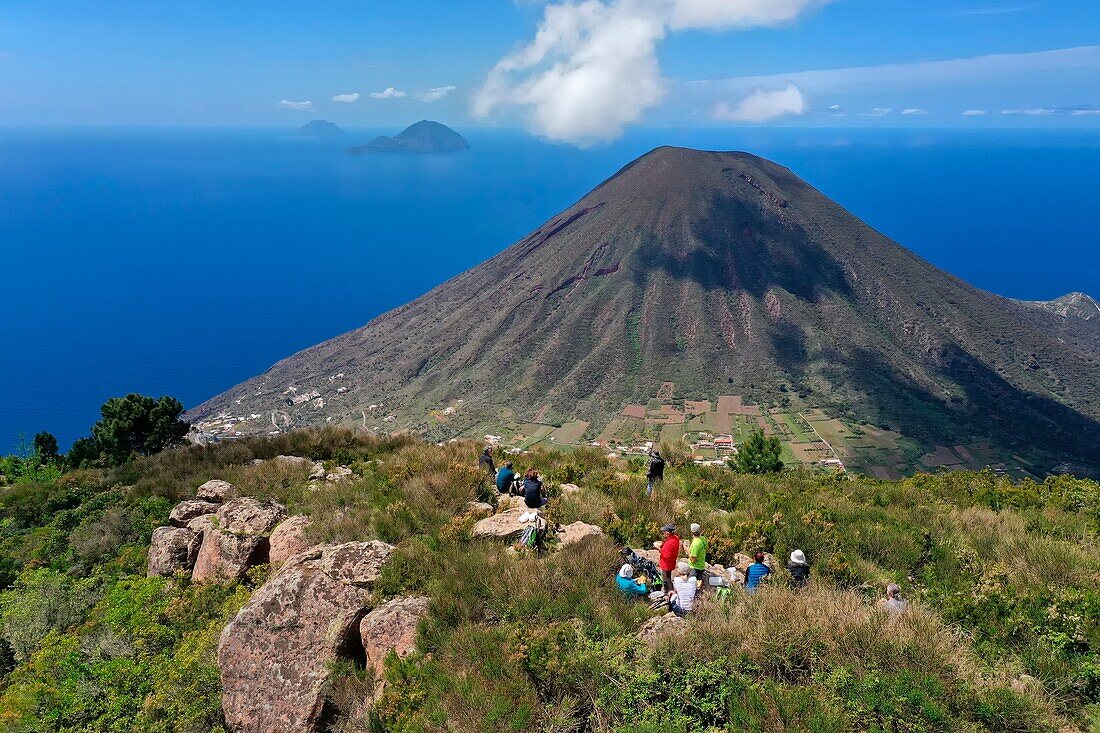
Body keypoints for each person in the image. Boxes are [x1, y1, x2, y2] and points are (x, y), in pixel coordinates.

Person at [656, 523, 681, 591]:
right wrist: (662, 545)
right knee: (668, 577)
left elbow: (667, 556)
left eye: (664, 531)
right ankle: (669, 590)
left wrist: (659, 549)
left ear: (667, 532)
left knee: (666, 579)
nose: (663, 533)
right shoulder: (674, 538)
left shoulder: (671, 542)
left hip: (667, 565)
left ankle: (668, 592)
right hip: (669, 564)